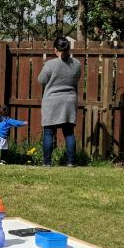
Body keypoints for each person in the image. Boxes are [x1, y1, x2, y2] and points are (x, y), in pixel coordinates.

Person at [38, 37, 81, 167]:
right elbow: (76, 80)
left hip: (52, 102)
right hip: (69, 101)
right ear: (69, 48)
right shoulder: (77, 64)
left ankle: (47, 162)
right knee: (69, 133)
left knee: (48, 133)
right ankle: (71, 162)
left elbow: (41, 80)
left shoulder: (50, 64)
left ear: (55, 49)